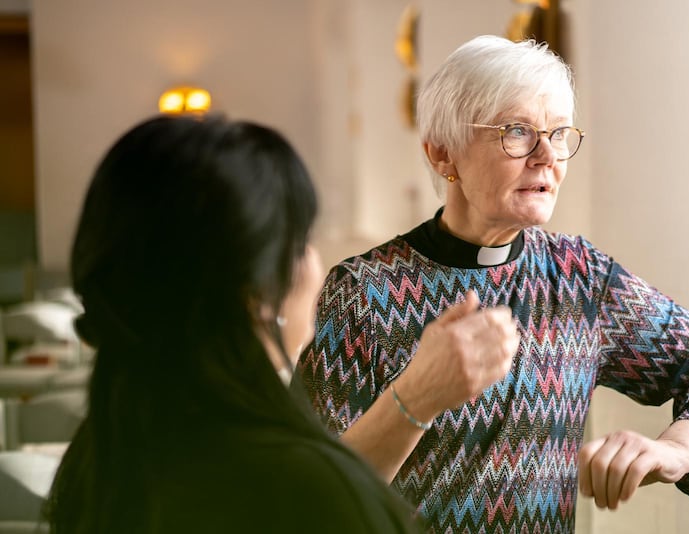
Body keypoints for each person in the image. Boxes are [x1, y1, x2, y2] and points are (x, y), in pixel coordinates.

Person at [296, 35, 689, 533]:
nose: (548, 156)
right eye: (517, 131)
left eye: (559, 133)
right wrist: (415, 397)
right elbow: (309, 496)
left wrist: (675, 448)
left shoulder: (581, 279)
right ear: (442, 155)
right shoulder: (364, 294)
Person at [45, 115, 421, 533]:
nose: (315, 263)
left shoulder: (96, 457)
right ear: (257, 293)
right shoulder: (313, 492)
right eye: (301, 241)